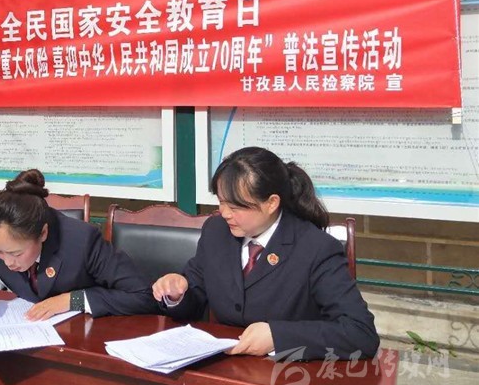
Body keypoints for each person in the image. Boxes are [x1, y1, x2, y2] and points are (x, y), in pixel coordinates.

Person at [152, 147, 379, 360]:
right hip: (222, 366)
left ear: (271, 203)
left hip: (289, 375)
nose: (224, 213)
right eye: (221, 202)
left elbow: (360, 333)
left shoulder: (316, 248)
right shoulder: (216, 231)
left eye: (236, 207)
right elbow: (196, 292)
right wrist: (176, 293)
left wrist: (277, 337)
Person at [0, 168, 156, 324]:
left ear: (43, 233)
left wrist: (73, 300)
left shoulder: (82, 241)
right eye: (0, 252)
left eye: (16, 253)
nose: (8, 262)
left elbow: (143, 295)